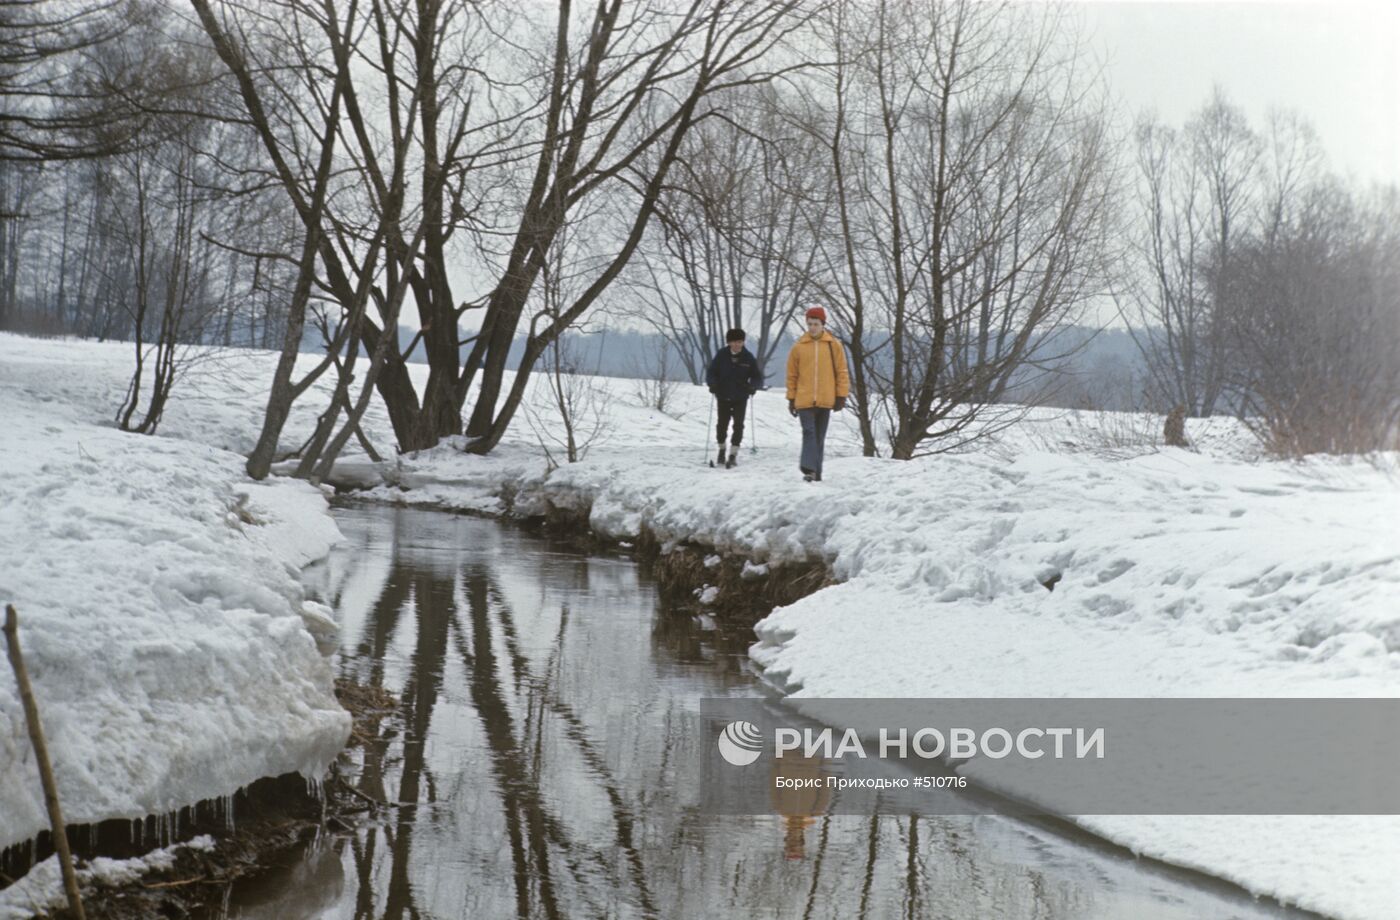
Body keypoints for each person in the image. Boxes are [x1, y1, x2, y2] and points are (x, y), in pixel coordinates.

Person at [785, 306, 850, 482]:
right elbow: (792, 375)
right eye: (810, 324)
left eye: (816, 323)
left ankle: (816, 474)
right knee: (809, 432)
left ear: (823, 324)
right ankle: (808, 468)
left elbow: (842, 371)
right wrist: (791, 398)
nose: (812, 327)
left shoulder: (833, 345)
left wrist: (841, 396)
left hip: (825, 398)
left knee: (819, 437)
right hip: (804, 399)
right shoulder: (798, 347)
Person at [705, 327, 764, 468]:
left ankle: (733, 454)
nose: (737, 345)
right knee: (721, 426)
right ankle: (722, 449)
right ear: (729, 343)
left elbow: (757, 377)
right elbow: (711, 372)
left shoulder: (748, 357)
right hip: (723, 395)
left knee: (738, 426)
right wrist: (712, 384)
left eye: (740, 342)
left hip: (740, 397)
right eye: (734, 342)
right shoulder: (721, 355)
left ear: (743, 342)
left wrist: (753, 386)